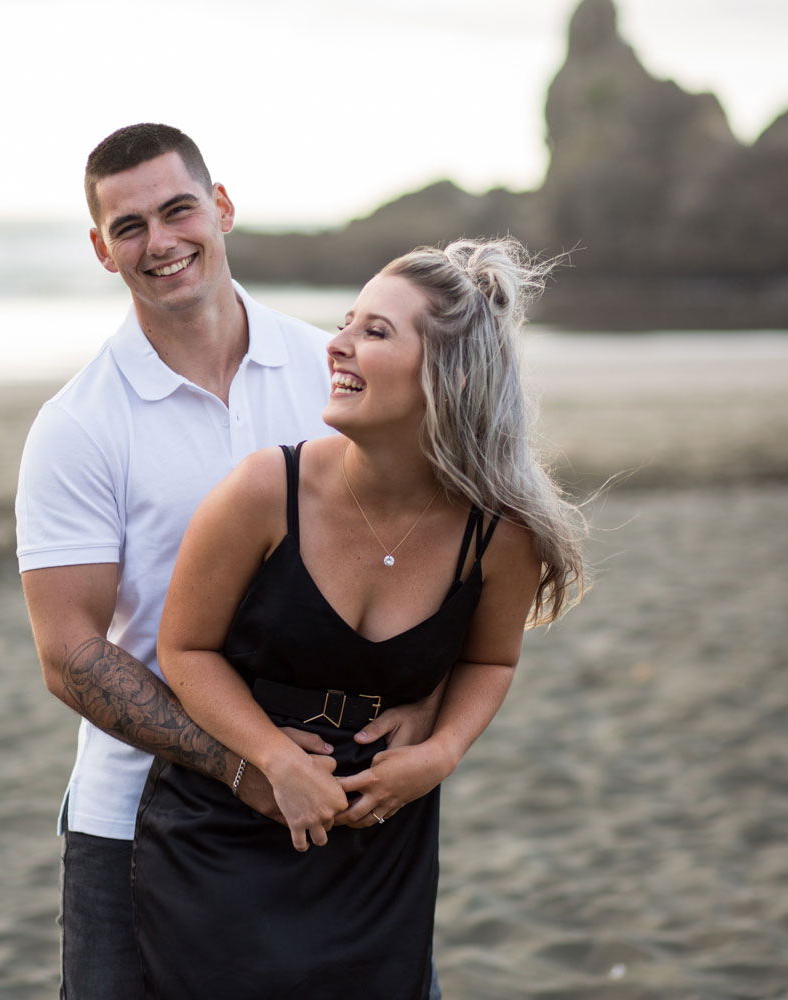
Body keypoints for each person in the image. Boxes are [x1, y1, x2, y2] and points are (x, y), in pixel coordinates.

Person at [16, 123, 446, 999]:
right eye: (129, 227)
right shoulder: (79, 425)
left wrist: (428, 703)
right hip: (133, 818)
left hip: (336, 798)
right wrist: (244, 763)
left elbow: (432, 541)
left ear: (223, 208)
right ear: (101, 250)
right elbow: (69, 653)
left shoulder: (333, 369)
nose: (161, 242)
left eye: (179, 210)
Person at [132, 238, 586, 998]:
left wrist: (441, 754)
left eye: (375, 331)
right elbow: (184, 650)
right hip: (223, 837)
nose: (336, 345)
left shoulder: (499, 534)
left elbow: (490, 662)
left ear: (452, 374)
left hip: (383, 853)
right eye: (347, 322)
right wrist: (272, 761)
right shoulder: (262, 491)